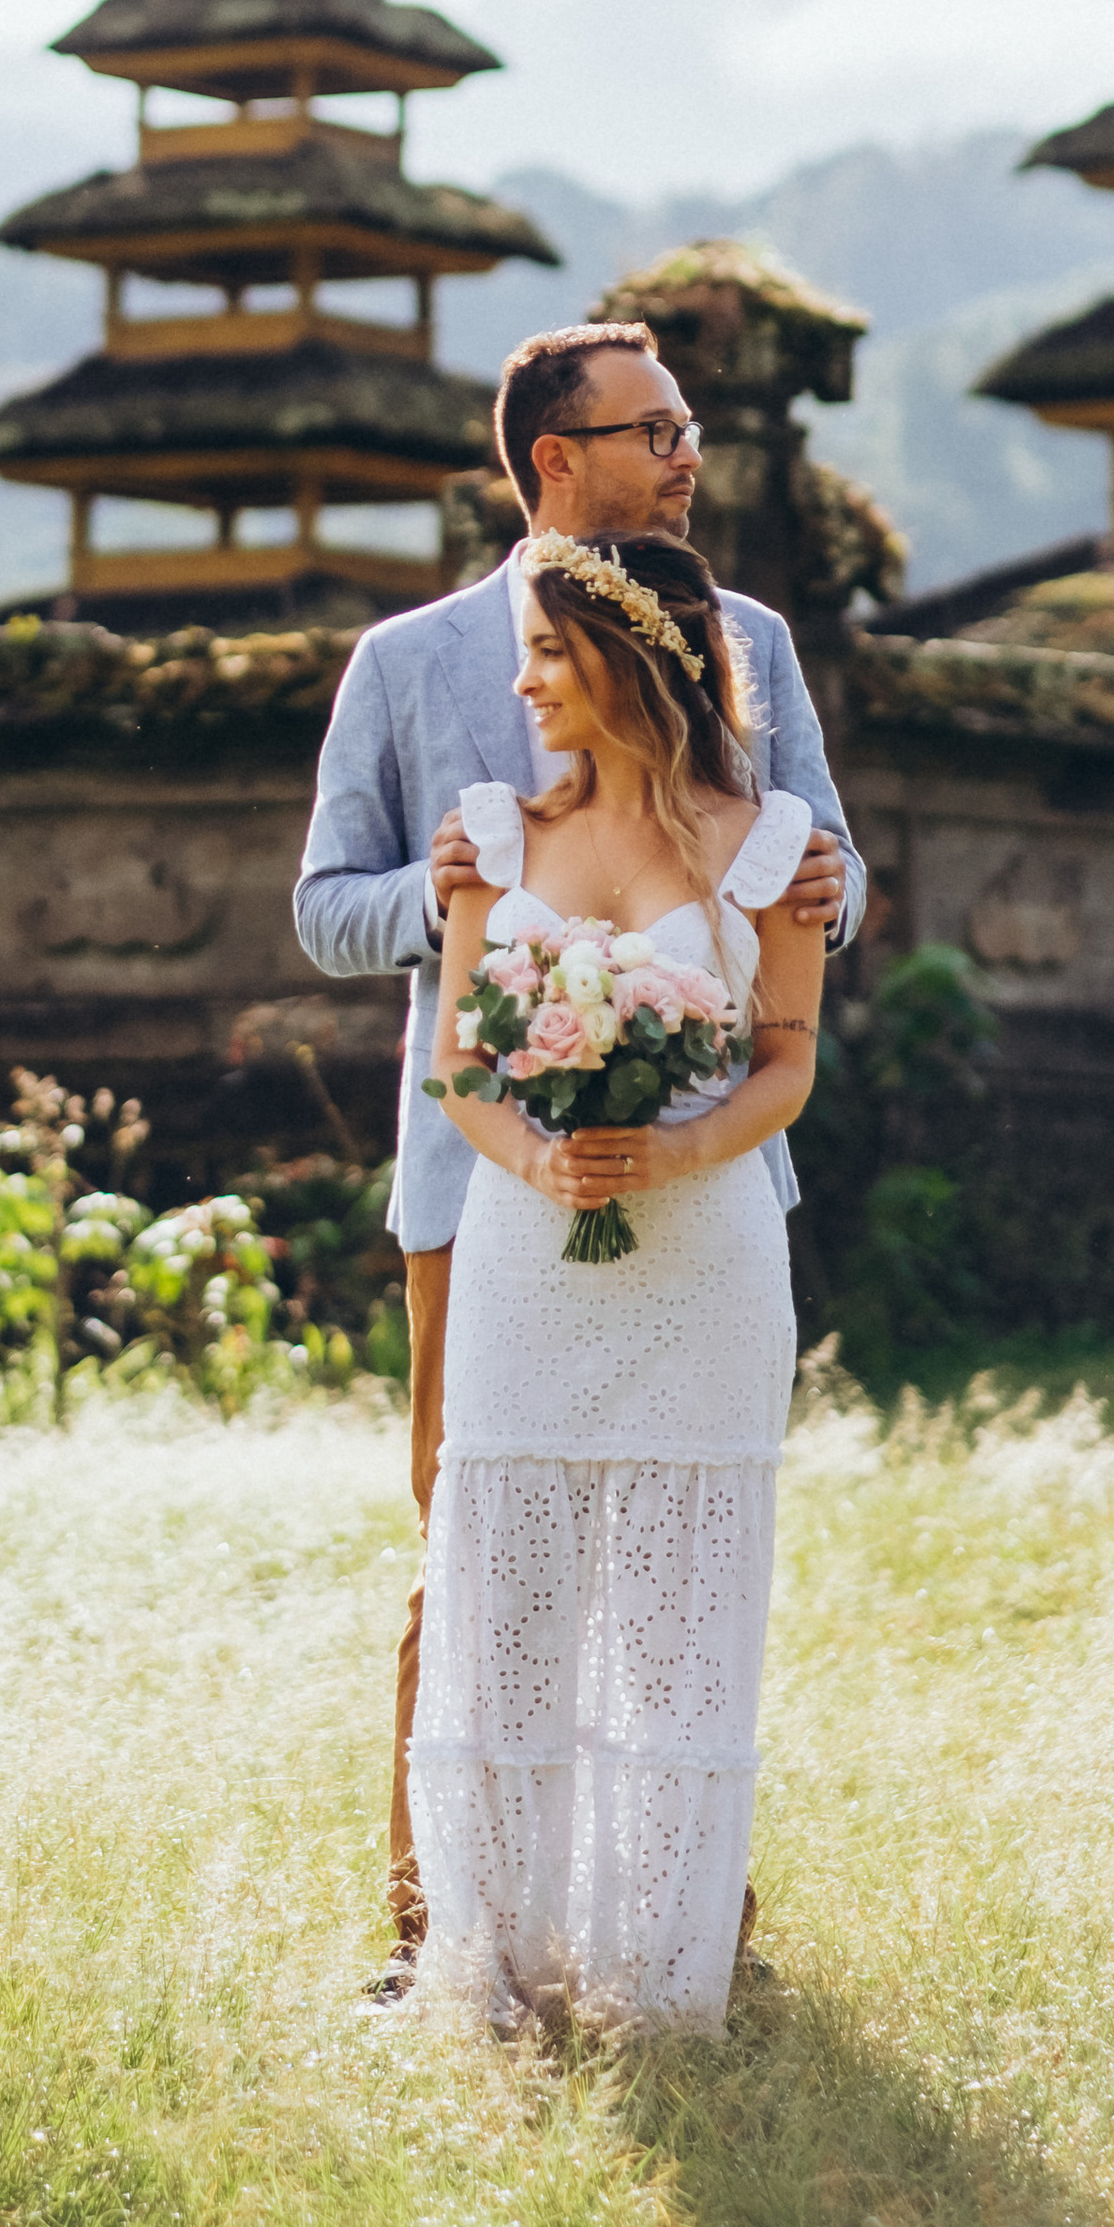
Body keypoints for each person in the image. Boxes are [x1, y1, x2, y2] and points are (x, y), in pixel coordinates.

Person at [293, 318, 865, 1983]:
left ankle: (679, 1928)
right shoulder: (412, 662)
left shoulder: (750, 639)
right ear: (556, 458)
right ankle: (441, 1927)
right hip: (481, 1175)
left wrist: (820, 890)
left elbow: (830, 871)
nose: (689, 455)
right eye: (655, 431)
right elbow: (325, 909)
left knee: (685, 1557)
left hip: (709, 1168)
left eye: (687, 429)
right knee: (473, 1547)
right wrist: (471, 909)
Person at [406, 527, 823, 2027]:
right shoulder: (492, 838)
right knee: (509, 1604)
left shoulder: (773, 848)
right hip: (527, 1260)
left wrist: (676, 1149)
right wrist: (540, 1164)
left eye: (547, 652)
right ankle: (495, 1972)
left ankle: (652, 1978)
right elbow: (461, 1065)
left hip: (705, 1263)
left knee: (675, 1627)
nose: (523, 683)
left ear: (629, 659)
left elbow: (788, 1062)